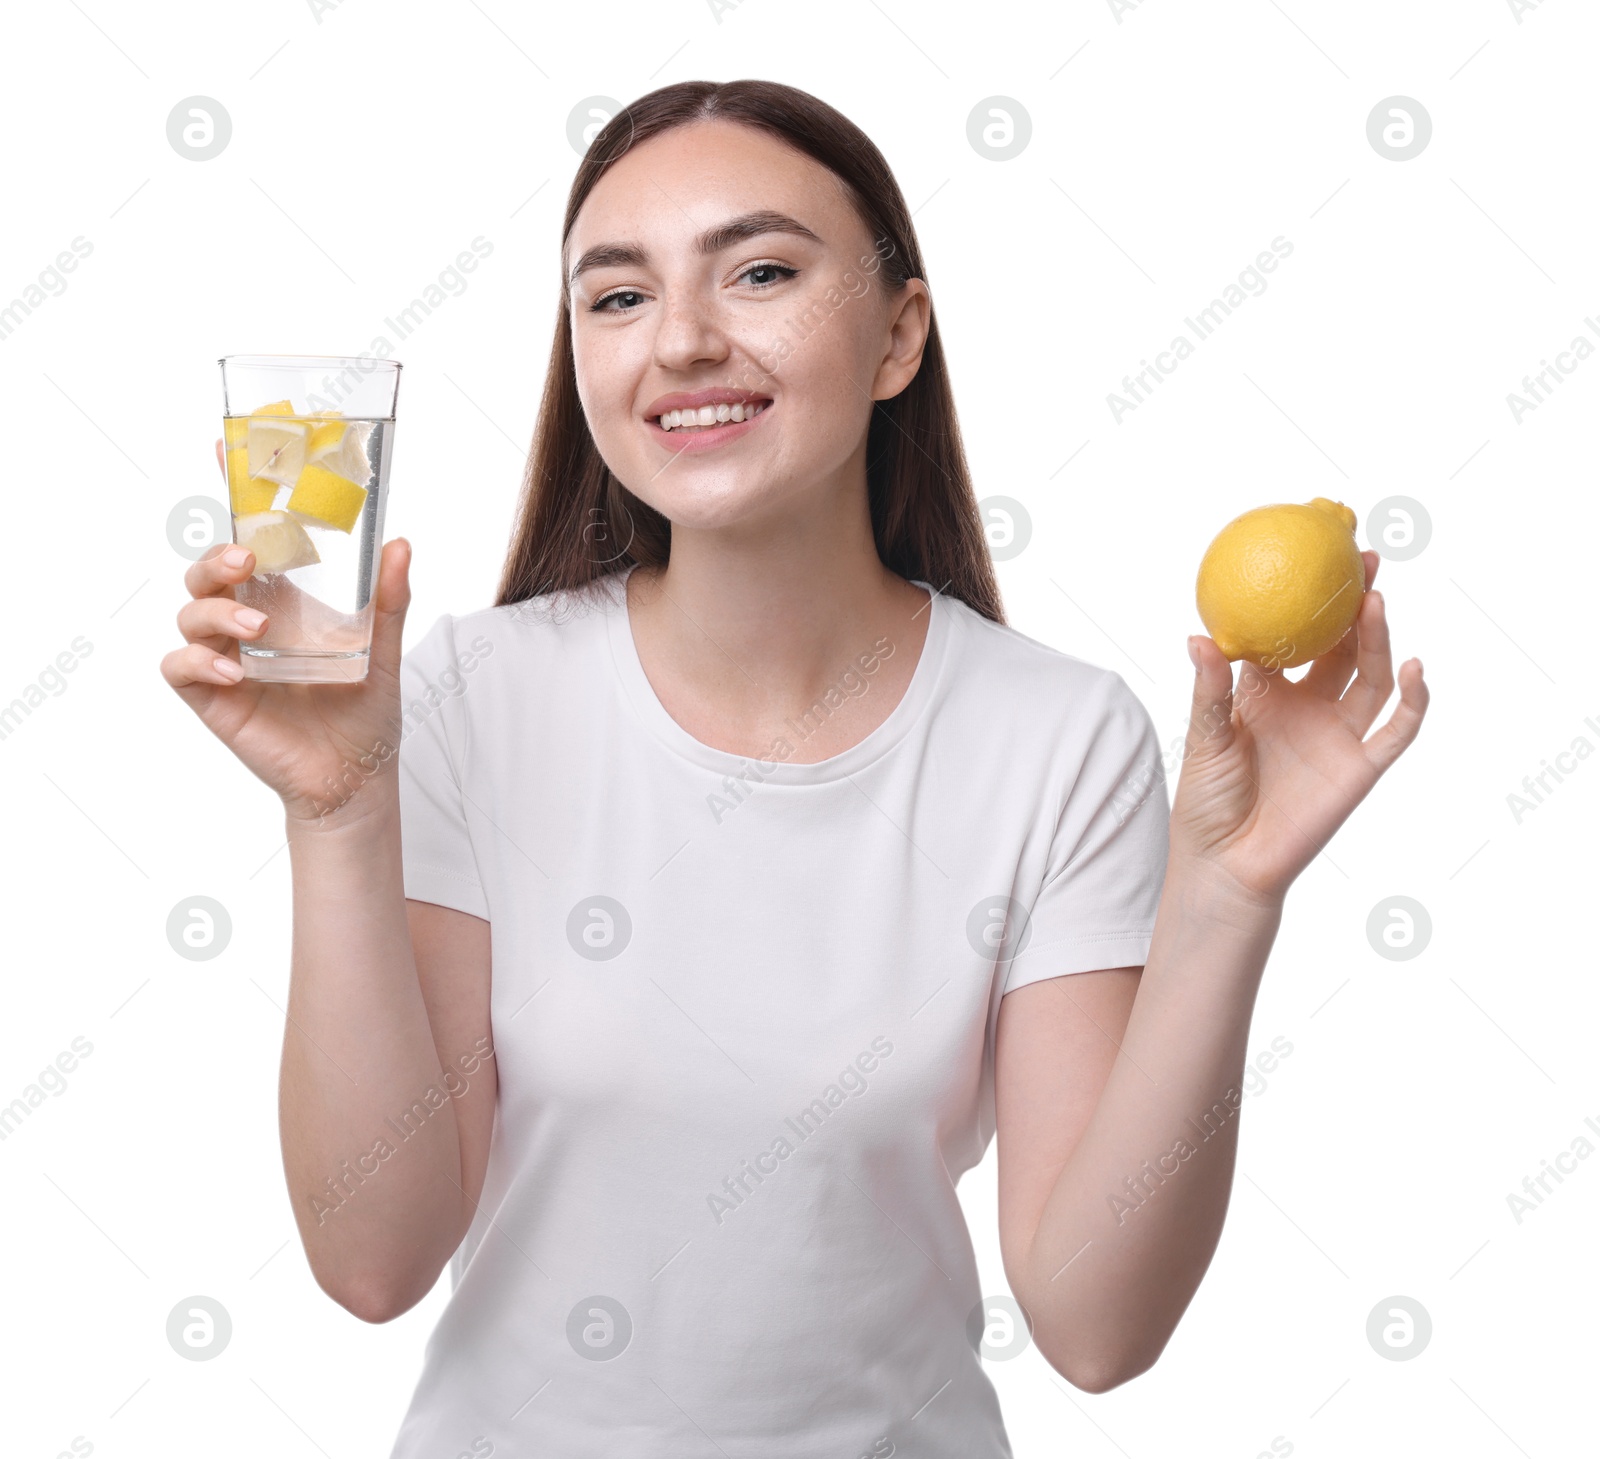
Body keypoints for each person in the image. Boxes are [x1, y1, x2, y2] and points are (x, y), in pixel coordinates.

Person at [160, 79, 1428, 1459]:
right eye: (618, 297)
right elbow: (374, 1263)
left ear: (899, 336)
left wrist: (1228, 903)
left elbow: (1095, 1329)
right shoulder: (469, 696)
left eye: (759, 271)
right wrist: (341, 814)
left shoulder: (1055, 736)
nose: (684, 342)